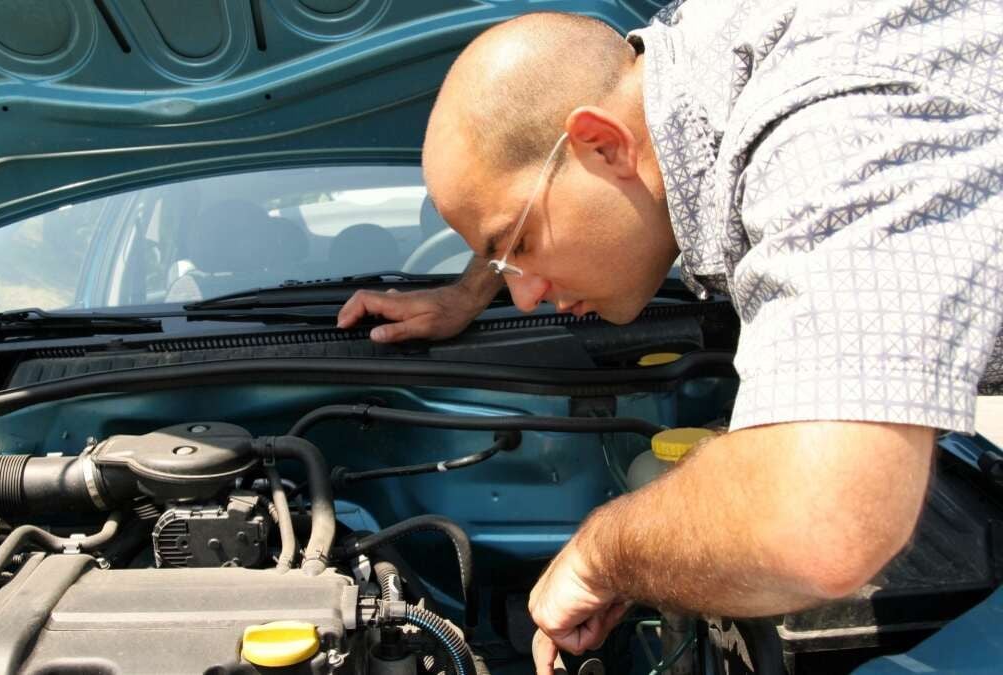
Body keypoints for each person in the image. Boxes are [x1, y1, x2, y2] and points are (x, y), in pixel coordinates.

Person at [334, 1, 1003, 672]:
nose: (526, 293)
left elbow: (823, 518)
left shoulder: (828, 127)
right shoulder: (693, 61)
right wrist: (467, 290)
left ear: (604, 144)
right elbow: (539, 158)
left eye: (519, 245)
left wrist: (602, 554)